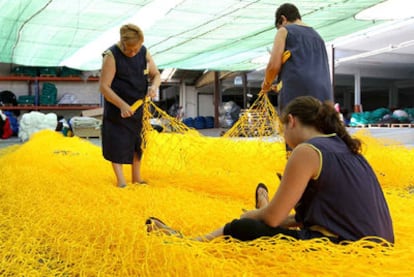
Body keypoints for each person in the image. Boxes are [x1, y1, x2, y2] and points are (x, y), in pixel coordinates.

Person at [146, 96, 394, 244]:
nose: (283, 136)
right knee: (268, 218)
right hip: (378, 244)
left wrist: (251, 215)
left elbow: (273, 219)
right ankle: (264, 204)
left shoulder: (307, 152)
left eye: (283, 128)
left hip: (343, 248)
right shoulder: (345, 147)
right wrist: (279, 217)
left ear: (292, 121)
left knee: (241, 227)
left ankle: (191, 243)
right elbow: (333, 209)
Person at [99, 23, 161, 188]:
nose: (133, 53)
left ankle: (137, 178)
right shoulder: (111, 55)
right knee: (117, 142)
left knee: (137, 142)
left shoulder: (144, 51)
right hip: (117, 107)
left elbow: (156, 75)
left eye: (136, 49)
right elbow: (104, 87)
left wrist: (154, 86)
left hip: (138, 106)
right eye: (129, 50)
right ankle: (121, 182)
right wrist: (122, 105)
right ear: (122, 42)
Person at [261, 3, 333, 112]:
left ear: (283, 19)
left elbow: (273, 66)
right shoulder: (318, 37)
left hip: (297, 95)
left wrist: (266, 85)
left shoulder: (285, 30)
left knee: (295, 126)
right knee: (318, 127)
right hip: (324, 95)